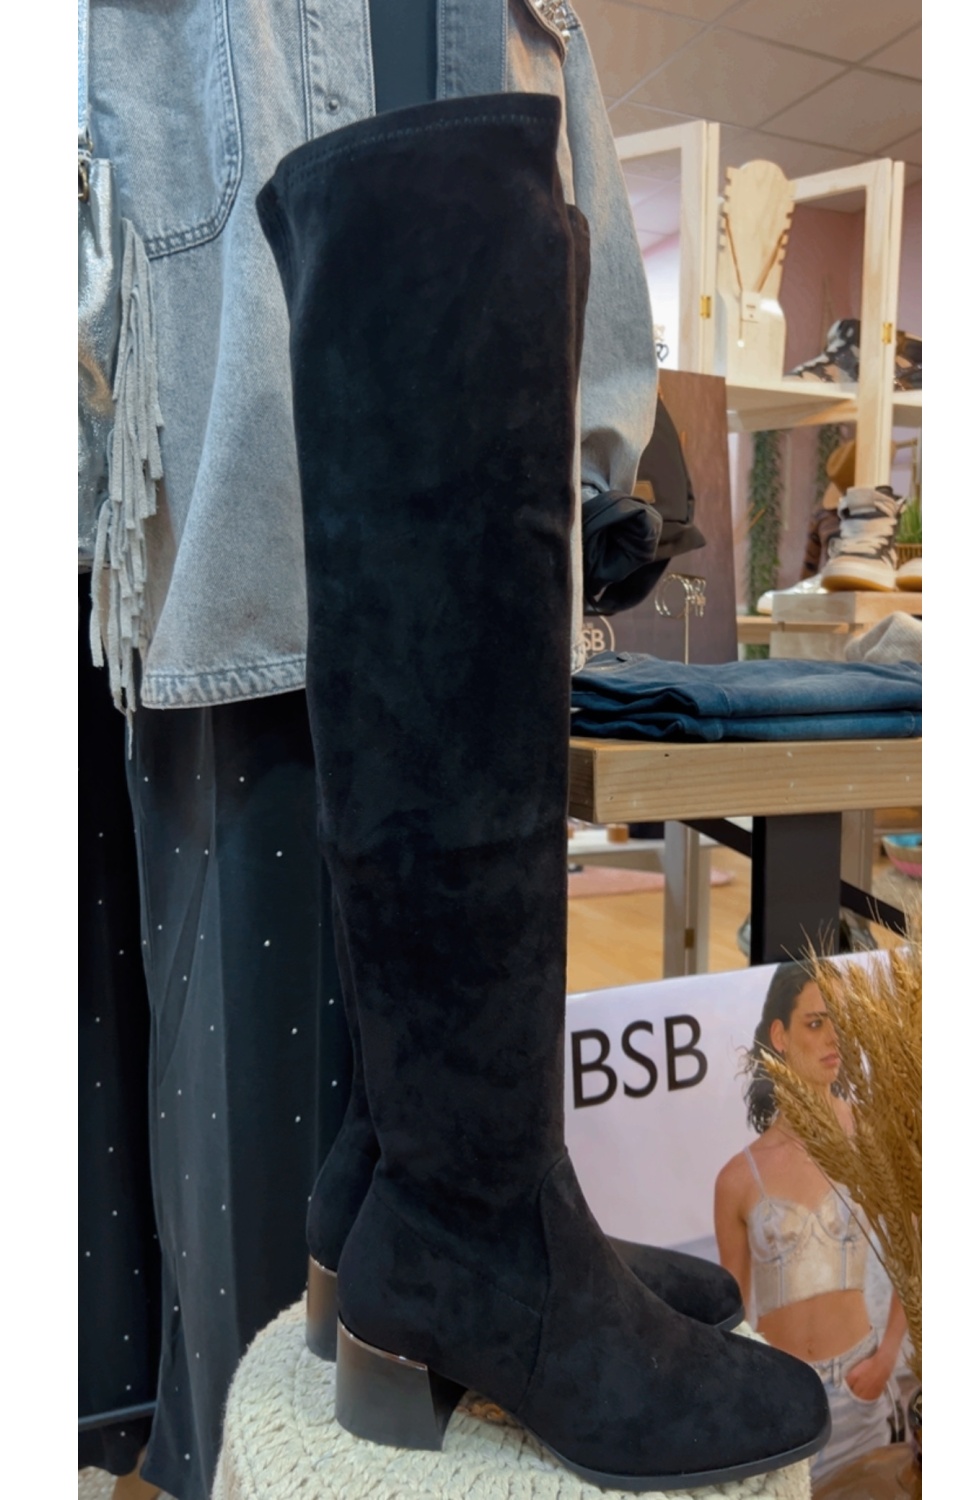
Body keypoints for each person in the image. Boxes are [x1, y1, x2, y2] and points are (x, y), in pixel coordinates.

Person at [83, 4, 659, 1497]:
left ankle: (431, 1217)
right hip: (227, 489)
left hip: (318, 437)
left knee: (444, 772)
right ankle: (458, 1234)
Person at [714, 962, 908, 1484]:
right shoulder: (738, 1178)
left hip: (859, 1390)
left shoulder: (871, 1138)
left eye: (839, 1022)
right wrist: (751, 1391)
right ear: (780, 1036)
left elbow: (917, 1246)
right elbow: (730, 1310)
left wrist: (888, 1356)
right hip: (782, 1400)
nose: (833, 1038)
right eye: (816, 1022)